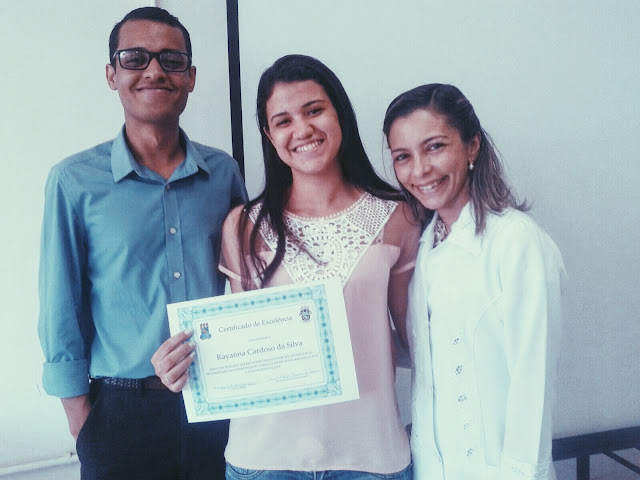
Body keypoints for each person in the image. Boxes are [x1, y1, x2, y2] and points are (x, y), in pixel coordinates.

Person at [153, 54, 420, 479]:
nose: (303, 129)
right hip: (263, 460)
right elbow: (238, 344)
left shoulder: (399, 217)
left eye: (314, 110)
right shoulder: (243, 225)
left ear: (340, 113)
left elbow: (415, 340)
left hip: (371, 458)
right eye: (283, 121)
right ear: (269, 135)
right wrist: (183, 364)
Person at [38, 7, 247, 479]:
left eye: (172, 60)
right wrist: (83, 422)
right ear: (112, 74)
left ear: (191, 77)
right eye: (135, 58)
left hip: (219, 401)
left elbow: (249, 284)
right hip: (120, 412)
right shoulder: (74, 181)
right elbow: (59, 306)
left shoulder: (223, 174)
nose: (154, 71)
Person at [382, 83, 567, 480]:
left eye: (434, 147)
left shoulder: (516, 241)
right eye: (403, 156)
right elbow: (428, 354)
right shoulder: (422, 247)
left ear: (472, 146)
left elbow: (533, 382)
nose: (419, 170)